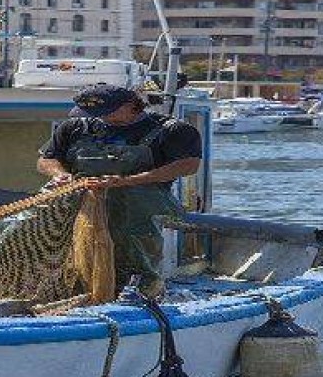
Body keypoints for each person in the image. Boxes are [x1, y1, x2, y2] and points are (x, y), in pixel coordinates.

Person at [38, 84, 202, 298]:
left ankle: (143, 286)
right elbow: (46, 160)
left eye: (105, 111)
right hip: (83, 197)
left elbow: (188, 165)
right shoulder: (74, 128)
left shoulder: (172, 130)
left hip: (143, 201)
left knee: (124, 212)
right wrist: (60, 175)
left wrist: (126, 181)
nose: (99, 117)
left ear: (130, 105)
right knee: (42, 213)